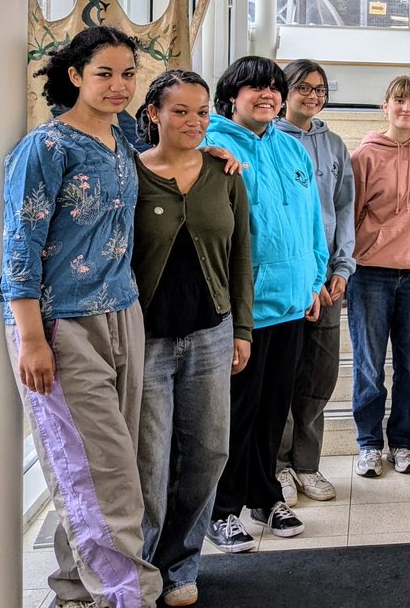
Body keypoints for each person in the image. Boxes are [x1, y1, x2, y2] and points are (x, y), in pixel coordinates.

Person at [2, 25, 163, 608]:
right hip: (59, 323)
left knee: (99, 469)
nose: (120, 85)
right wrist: (30, 338)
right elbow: (19, 245)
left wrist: (217, 153)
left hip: (122, 313)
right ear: (74, 76)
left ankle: (75, 590)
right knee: (103, 475)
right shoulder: (46, 148)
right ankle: (127, 596)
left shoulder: (122, 137)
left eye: (128, 74)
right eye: (105, 74)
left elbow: (174, 150)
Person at [132, 70, 253, 607]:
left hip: (211, 334)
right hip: (148, 340)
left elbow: (242, 255)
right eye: (180, 111)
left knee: (208, 453)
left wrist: (242, 329)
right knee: (150, 464)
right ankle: (142, 572)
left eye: (202, 112)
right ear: (154, 114)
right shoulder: (131, 175)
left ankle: (181, 565)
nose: (194, 122)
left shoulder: (225, 174)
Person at [204, 57, 328, 552]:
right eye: (255, 87)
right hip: (244, 310)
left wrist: (314, 281)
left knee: (274, 411)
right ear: (231, 95)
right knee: (237, 413)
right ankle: (221, 509)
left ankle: (264, 495)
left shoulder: (291, 148)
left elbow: (312, 219)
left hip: (293, 302)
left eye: (274, 88)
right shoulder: (212, 145)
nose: (268, 95)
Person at [348, 75, 410, 478]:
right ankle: (369, 443)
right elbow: (350, 216)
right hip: (371, 273)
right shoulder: (364, 156)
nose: (407, 108)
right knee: (369, 365)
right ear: (385, 106)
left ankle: (402, 441)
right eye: (399, 101)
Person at [274, 59, 356, 504]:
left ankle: (307, 464)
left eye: (320, 89)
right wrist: (307, 276)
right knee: (283, 375)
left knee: (318, 377)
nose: (312, 95)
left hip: (329, 282)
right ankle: (278, 467)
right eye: (303, 87)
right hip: (289, 282)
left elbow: (344, 209)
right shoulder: (269, 141)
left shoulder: (334, 144)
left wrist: (342, 268)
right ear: (284, 91)